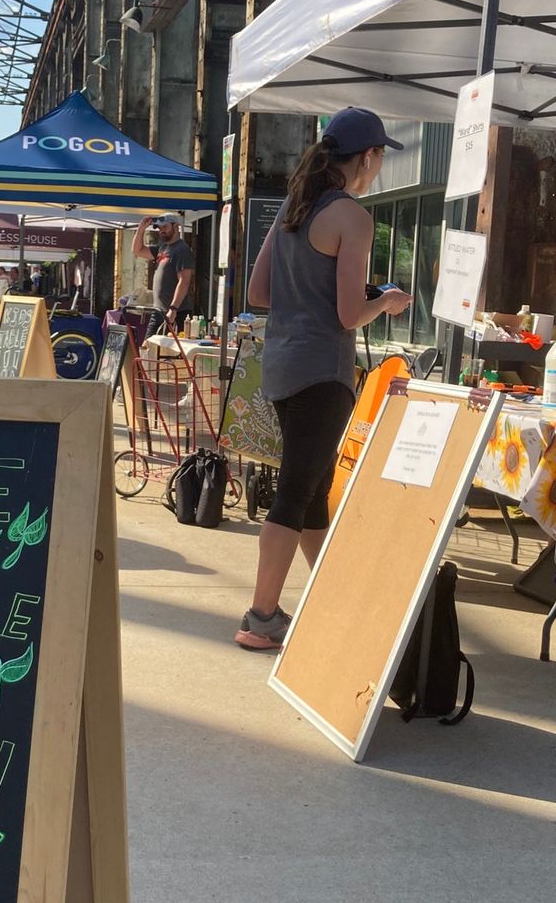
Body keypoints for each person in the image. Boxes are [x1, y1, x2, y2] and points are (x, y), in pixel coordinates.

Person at [234, 107, 411, 651]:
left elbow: (257, 294)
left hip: (283, 367)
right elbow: (347, 314)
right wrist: (386, 301)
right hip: (324, 372)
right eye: (379, 157)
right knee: (294, 493)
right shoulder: (352, 217)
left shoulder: (294, 208)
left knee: (311, 491)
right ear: (369, 157)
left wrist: (304, 291)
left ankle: (327, 595)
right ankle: (262, 616)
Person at [132, 212, 195, 338]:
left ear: (175, 226)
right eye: (159, 228)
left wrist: (173, 308)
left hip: (176, 312)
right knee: (147, 349)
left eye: (165, 227)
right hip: (159, 311)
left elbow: (184, 281)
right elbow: (137, 250)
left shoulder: (182, 249)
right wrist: (141, 229)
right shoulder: (162, 248)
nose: (161, 231)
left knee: (172, 354)